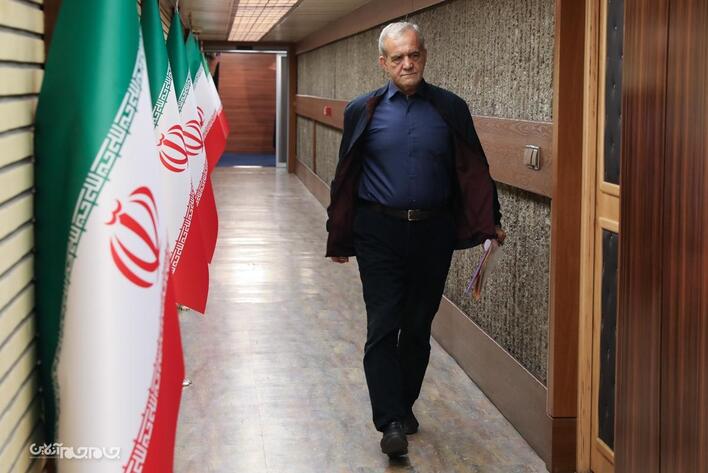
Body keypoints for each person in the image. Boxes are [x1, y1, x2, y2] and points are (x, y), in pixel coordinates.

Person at [325, 21, 506, 458]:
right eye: (398, 57)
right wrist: (339, 232)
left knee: (418, 326)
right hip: (378, 231)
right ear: (383, 63)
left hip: (433, 231)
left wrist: (490, 220)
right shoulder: (362, 110)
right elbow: (346, 175)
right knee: (383, 324)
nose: (407, 63)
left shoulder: (451, 108)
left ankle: (403, 405)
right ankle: (390, 421)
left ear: (424, 55)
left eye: (414, 55)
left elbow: (473, 169)